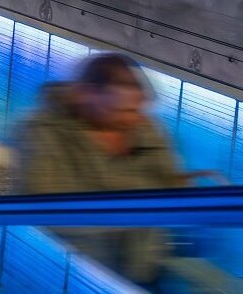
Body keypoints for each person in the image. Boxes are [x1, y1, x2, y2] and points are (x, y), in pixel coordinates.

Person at [14, 52, 202, 287]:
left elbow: (174, 190)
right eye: (123, 111)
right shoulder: (41, 130)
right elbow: (50, 207)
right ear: (89, 93)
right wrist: (143, 200)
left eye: (137, 109)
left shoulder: (146, 129)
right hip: (65, 274)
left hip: (139, 272)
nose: (134, 119)